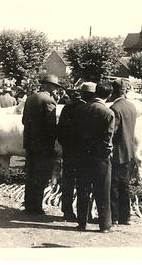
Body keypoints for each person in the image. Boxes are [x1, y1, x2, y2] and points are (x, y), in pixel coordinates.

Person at [75, 82, 115, 233]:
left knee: (83, 189)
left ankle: (81, 223)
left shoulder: (81, 109)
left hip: (82, 155)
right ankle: (105, 225)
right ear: (109, 95)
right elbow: (108, 139)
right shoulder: (108, 113)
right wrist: (106, 153)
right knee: (103, 190)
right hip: (100, 158)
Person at [22, 74, 59, 214]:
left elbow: (24, 120)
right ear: (49, 86)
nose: (55, 90)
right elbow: (51, 126)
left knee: (30, 173)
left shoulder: (31, 98)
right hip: (43, 145)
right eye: (54, 87)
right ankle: (36, 206)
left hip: (30, 142)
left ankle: (28, 204)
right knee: (41, 175)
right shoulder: (49, 101)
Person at [56, 86, 93, 221]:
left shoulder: (67, 108)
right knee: (85, 183)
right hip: (85, 153)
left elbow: (60, 131)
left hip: (69, 151)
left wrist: (66, 145)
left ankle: (67, 211)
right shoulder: (90, 109)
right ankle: (85, 213)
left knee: (68, 181)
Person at [109, 79, 137, 226]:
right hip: (129, 151)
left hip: (117, 152)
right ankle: (125, 216)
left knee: (113, 185)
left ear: (114, 92)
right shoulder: (131, 106)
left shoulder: (115, 108)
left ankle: (114, 216)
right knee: (125, 184)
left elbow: (113, 132)